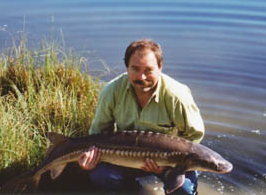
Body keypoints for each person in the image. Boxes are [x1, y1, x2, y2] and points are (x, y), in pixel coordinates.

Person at [78, 39, 204, 195]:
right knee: (101, 176)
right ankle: (134, 190)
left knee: (183, 190)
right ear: (127, 68)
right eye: (135, 69)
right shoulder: (111, 91)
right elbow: (98, 135)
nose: (142, 77)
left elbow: (194, 137)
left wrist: (169, 165)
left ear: (160, 67)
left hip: (169, 161)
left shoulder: (177, 96)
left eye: (148, 70)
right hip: (127, 158)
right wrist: (89, 160)